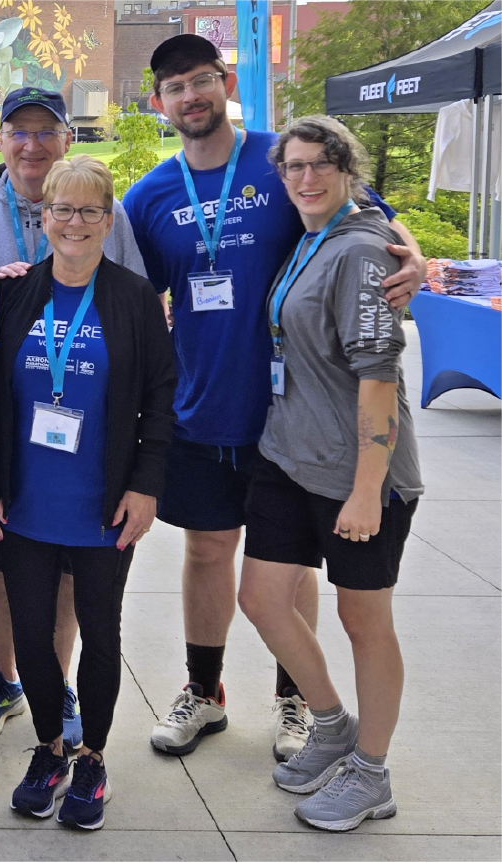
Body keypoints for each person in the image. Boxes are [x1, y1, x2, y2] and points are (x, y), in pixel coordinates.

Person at [121, 34, 425, 761]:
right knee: (207, 550)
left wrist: (412, 255)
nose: (190, 96)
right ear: (158, 103)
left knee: (291, 569)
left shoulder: (285, 160)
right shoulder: (149, 195)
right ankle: (204, 690)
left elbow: (372, 218)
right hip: (201, 405)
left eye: (201, 80)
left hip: (291, 414)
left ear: (224, 83)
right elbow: (129, 291)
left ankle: (297, 699)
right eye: (174, 87)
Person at [0, 86, 146, 748]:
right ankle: (8, 676)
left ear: (67, 139)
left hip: (82, 426)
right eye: (18, 131)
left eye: (45, 131)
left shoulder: (108, 214)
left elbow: (133, 308)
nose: (31, 144)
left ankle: (54, 683)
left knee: (66, 570)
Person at [0, 156, 176, 829]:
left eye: (90, 210)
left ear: (108, 220)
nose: (75, 222)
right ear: (45, 217)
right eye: (63, 209)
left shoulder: (134, 298)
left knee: (99, 630)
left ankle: (91, 757)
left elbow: (160, 396)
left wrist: (146, 487)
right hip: (26, 501)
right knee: (32, 633)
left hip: (103, 502)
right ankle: (49, 748)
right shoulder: (15, 293)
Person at [237, 116, 423, 831]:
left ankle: (371, 772)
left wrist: (367, 489)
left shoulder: (362, 251)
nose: (306, 178)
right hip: (288, 455)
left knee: (363, 619)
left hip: (357, 471)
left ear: (348, 169)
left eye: (321, 164)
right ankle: (332, 725)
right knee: (261, 598)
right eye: (294, 166)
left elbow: (378, 378)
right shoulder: (312, 236)